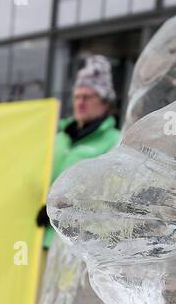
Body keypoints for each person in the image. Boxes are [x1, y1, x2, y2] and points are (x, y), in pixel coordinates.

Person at [37, 56, 122, 249]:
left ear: (105, 102)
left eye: (87, 97)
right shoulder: (58, 138)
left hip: (71, 249)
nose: (80, 103)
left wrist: (58, 209)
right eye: (77, 97)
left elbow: (108, 194)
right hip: (35, 242)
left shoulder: (115, 142)